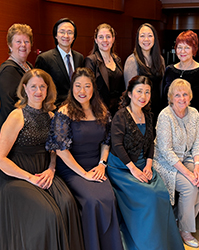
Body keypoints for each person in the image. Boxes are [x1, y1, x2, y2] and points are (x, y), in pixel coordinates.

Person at [0, 69, 84, 250]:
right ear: (24, 88)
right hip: (16, 176)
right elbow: (0, 159)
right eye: (33, 87)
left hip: (44, 172)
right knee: (50, 215)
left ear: (48, 90)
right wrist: (30, 178)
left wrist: (51, 169)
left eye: (42, 87)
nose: (38, 91)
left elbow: (53, 151)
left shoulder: (51, 116)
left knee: (68, 204)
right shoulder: (17, 115)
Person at [46, 67, 123, 250]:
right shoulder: (64, 112)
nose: (82, 91)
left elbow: (106, 141)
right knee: (91, 200)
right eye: (78, 86)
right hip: (72, 167)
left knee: (109, 197)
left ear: (93, 89)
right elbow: (61, 150)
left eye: (87, 86)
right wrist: (84, 174)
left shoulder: (101, 110)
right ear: (72, 88)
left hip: (96, 165)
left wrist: (102, 164)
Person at [107, 75, 184, 250]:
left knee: (161, 193)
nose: (143, 95)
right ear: (130, 93)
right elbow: (117, 145)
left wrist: (149, 165)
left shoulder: (148, 115)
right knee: (149, 197)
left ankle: (166, 243)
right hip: (122, 167)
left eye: (147, 92)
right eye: (139, 91)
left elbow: (150, 143)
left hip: (143, 164)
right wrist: (134, 169)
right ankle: (146, 244)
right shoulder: (121, 116)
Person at [153, 78, 199, 248]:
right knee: (190, 186)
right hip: (166, 163)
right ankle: (185, 230)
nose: (182, 98)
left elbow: (197, 143)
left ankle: (180, 220)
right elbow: (166, 151)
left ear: (190, 96)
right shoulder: (165, 115)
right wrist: (188, 174)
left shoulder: (194, 113)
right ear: (171, 98)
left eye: (185, 94)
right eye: (177, 95)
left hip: (188, 159)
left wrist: (196, 167)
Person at [161, 30, 199, 142]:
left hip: (194, 126)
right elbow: (163, 99)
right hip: (170, 125)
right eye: (180, 47)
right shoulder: (169, 70)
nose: (182, 51)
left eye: (187, 47)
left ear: (194, 50)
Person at [35, 17, 84, 107]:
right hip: (55, 109)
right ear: (56, 35)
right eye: (62, 32)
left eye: (70, 32)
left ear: (74, 37)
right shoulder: (45, 58)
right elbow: (40, 87)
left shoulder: (79, 57)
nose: (66, 36)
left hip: (78, 107)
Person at [124, 23, 165, 125]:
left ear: (155, 38)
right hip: (140, 113)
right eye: (142, 36)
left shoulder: (160, 60)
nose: (146, 39)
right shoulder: (132, 61)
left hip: (157, 111)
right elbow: (131, 93)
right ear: (137, 39)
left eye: (150, 36)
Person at [84, 23, 125, 116]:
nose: (105, 40)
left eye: (108, 37)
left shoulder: (117, 60)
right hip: (100, 111)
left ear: (113, 39)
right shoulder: (91, 61)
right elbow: (89, 89)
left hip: (118, 110)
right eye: (101, 37)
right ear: (96, 40)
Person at [0, 23, 33, 128]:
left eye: (26, 42)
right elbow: (8, 107)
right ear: (10, 45)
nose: (23, 45)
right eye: (18, 41)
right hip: (16, 128)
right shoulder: (8, 71)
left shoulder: (29, 66)